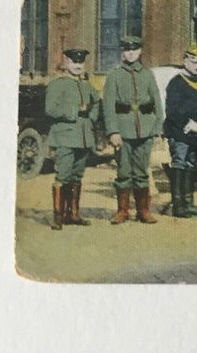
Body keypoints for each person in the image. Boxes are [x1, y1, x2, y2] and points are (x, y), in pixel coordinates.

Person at [102, 34, 164, 225]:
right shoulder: (114, 75)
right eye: (127, 50)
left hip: (144, 130)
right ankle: (122, 211)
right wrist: (113, 131)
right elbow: (109, 106)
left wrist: (156, 129)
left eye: (134, 50)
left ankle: (143, 210)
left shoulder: (147, 74)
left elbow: (157, 104)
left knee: (142, 172)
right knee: (123, 172)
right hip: (123, 131)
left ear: (140, 51)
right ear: (122, 52)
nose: (130, 53)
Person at [44, 47, 101, 230]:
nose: (77, 66)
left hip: (83, 137)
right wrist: (74, 111)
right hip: (65, 137)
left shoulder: (86, 85)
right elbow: (50, 109)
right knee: (63, 175)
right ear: (66, 63)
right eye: (74, 62)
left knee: (77, 176)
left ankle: (73, 214)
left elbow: (96, 102)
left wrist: (92, 117)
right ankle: (58, 216)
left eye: (81, 62)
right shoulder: (57, 84)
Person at [162, 45, 197, 219]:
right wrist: (190, 125)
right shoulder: (176, 83)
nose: (195, 65)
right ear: (184, 61)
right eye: (192, 61)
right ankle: (178, 205)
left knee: (191, 165)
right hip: (180, 132)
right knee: (179, 163)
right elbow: (173, 110)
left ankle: (189, 203)